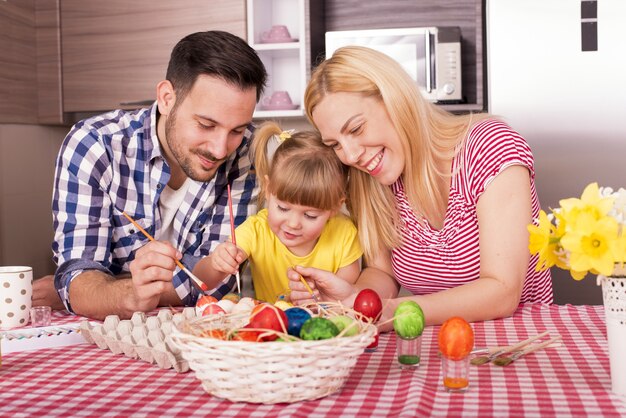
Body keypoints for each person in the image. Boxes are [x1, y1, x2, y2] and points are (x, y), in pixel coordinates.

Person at [287, 46, 553, 329]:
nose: (351, 156)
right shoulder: (371, 183)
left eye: (355, 129)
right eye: (335, 145)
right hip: (436, 348)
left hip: (519, 344)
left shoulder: (490, 148)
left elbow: (502, 291)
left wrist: (392, 312)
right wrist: (356, 300)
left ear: (395, 100)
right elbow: (382, 273)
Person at [32, 31, 267, 320]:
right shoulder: (95, 145)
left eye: (237, 130)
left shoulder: (248, 152)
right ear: (167, 98)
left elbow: (217, 283)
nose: (221, 149)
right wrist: (126, 293)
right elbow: (78, 278)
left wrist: (103, 288)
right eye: (206, 125)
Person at [197, 122, 363, 303]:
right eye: (283, 208)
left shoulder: (345, 233)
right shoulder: (256, 230)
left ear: (334, 208)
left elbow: (345, 298)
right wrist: (218, 262)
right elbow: (203, 278)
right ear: (268, 190)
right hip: (269, 328)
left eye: (310, 215)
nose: (293, 223)